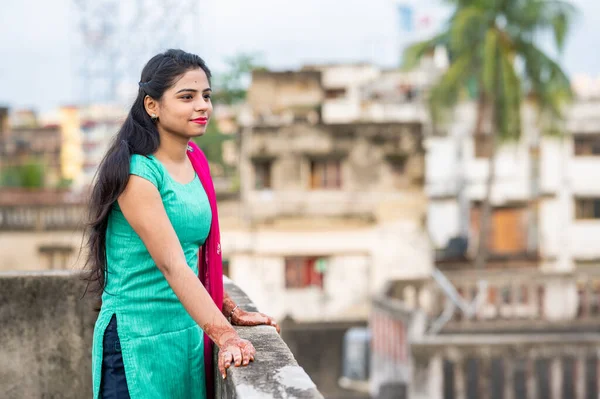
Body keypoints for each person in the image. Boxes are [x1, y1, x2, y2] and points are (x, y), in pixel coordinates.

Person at [84, 49, 280, 399]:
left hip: (187, 333)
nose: (202, 106)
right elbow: (172, 263)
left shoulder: (195, 160)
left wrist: (227, 308)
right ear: (152, 106)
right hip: (137, 341)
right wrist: (226, 336)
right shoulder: (138, 173)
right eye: (186, 97)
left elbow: (193, 254)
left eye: (206, 96)